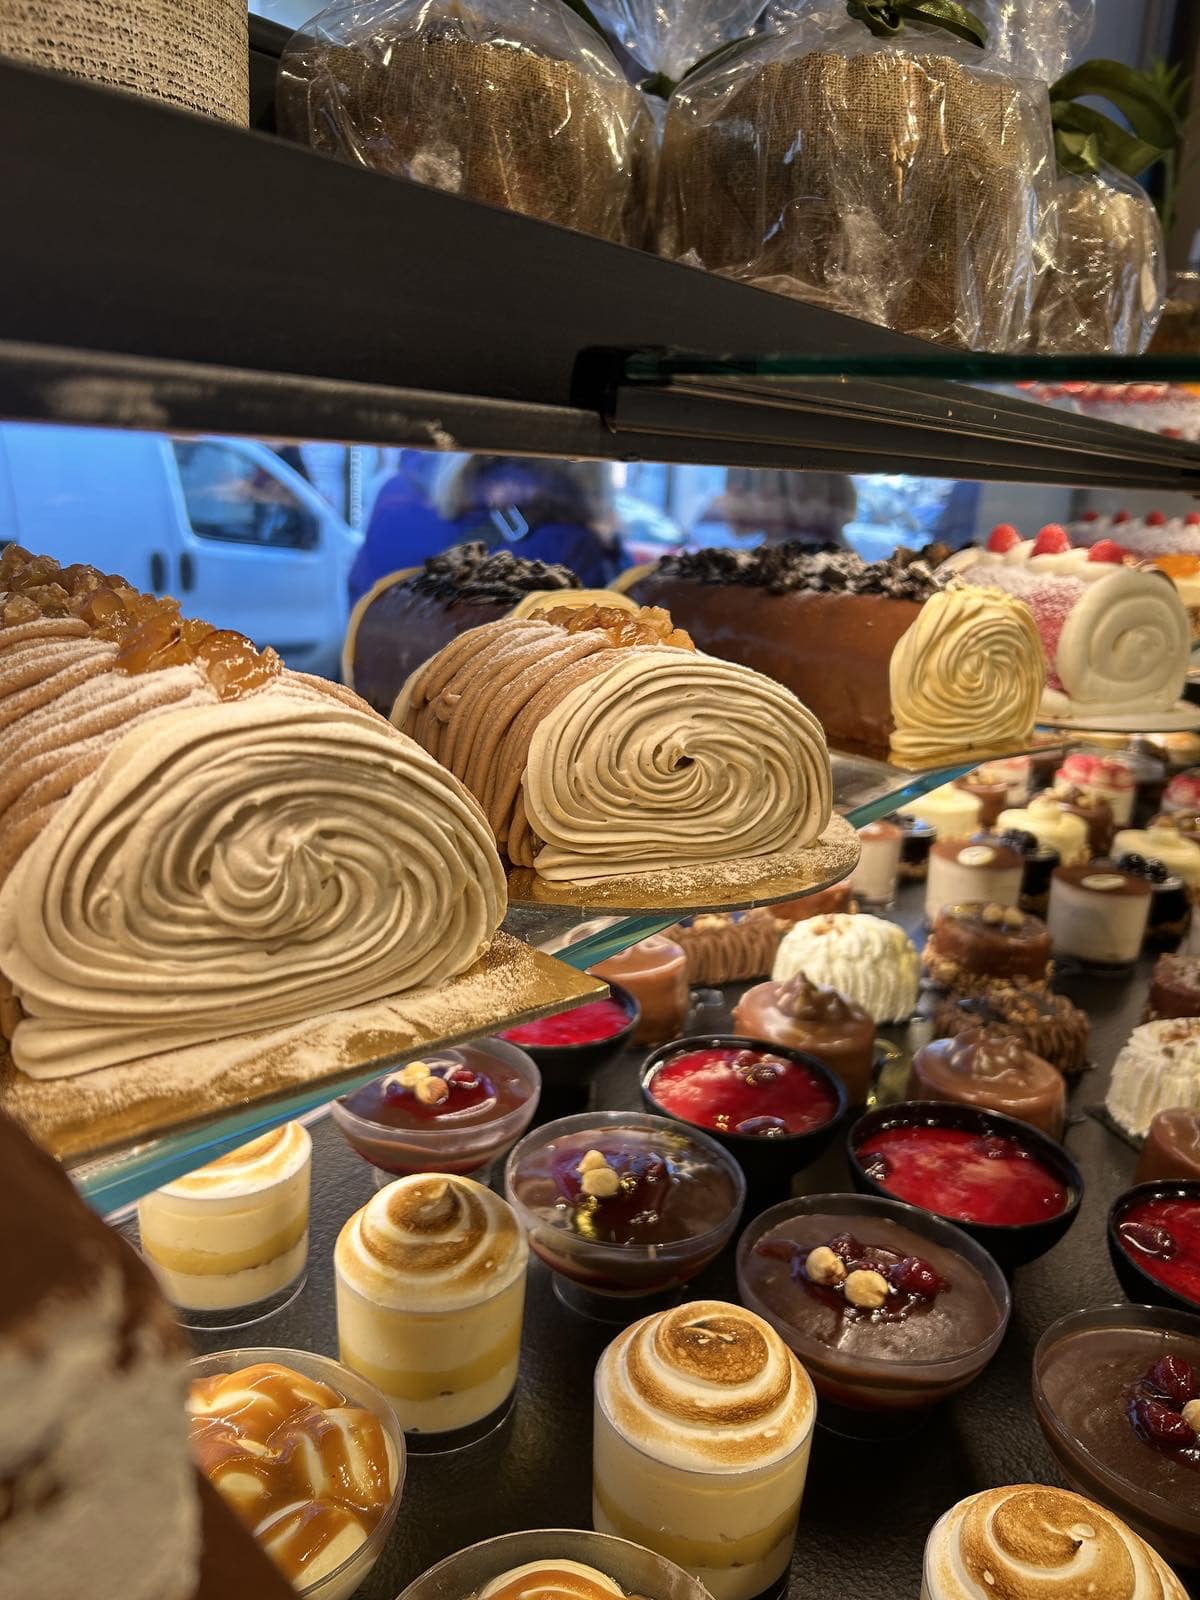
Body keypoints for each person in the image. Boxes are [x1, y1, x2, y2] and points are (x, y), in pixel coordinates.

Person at [349, 452, 626, 601]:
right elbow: (609, 637)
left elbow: (359, 590)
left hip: (373, 679)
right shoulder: (570, 540)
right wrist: (612, 549)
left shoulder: (394, 490)